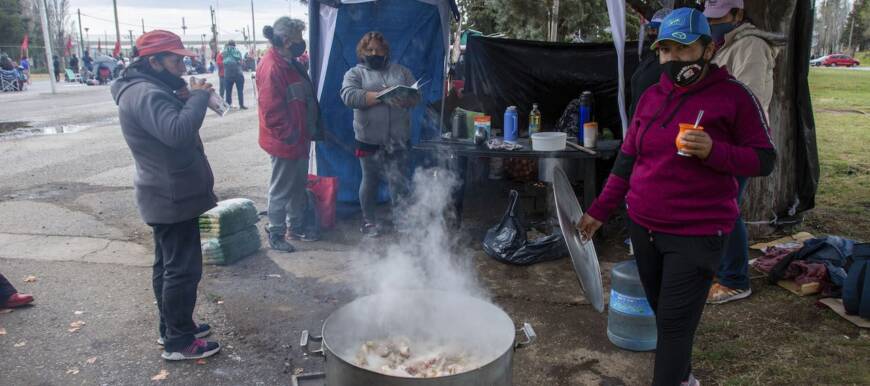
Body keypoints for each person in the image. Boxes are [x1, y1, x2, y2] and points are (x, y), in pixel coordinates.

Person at [576, 8, 775, 386]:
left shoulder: (733, 97)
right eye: (665, 50)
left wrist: (716, 151)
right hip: (644, 228)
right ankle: (684, 378)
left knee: (672, 326)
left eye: (683, 49)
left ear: (707, 49)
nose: (672, 59)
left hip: (696, 233)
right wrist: (599, 211)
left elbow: (765, 158)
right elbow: (628, 159)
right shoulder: (652, 96)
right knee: (664, 314)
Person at [111, 30, 220, 361]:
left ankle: (173, 327)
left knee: (169, 266)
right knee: (182, 270)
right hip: (172, 197)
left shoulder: (150, 88)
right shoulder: (146, 93)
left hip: (169, 193)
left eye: (182, 58)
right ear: (152, 61)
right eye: (175, 59)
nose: (181, 64)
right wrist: (199, 98)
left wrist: (187, 98)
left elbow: (168, 127)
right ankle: (179, 341)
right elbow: (176, 133)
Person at [704, 0, 784, 305]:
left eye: (719, 17)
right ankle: (721, 268)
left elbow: (747, 99)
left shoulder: (750, 46)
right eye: (709, 18)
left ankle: (735, 279)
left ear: (737, 14)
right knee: (715, 206)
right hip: (718, 140)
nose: (712, 23)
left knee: (726, 208)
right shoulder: (722, 45)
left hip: (739, 143)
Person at [341, 31, 419, 237]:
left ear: (387, 52)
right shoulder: (354, 74)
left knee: (398, 181)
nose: (375, 53)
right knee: (370, 180)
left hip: (399, 138)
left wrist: (407, 98)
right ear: (362, 52)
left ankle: (400, 220)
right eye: (370, 50)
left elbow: (415, 96)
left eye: (380, 49)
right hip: (368, 139)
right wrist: (382, 96)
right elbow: (349, 96)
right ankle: (368, 221)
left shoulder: (401, 71)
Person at [257, 17, 321, 251]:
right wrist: (290, 136)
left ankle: (295, 226)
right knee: (282, 188)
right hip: (285, 141)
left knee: (297, 186)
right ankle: (275, 232)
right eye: (297, 39)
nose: (301, 43)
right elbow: (271, 112)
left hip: (298, 138)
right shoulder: (273, 67)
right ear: (285, 40)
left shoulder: (290, 62)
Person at [629, 8, 671, 119]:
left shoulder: (671, 63)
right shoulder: (650, 56)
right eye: (651, 28)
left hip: (653, 126)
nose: (652, 32)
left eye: (657, 29)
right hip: (636, 125)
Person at [222, 41, 246, 109]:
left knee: (228, 91)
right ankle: (241, 105)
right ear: (235, 45)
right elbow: (241, 62)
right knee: (240, 91)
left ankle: (228, 105)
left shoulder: (224, 52)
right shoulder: (237, 51)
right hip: (238, 74)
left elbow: (222, 62)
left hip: (228, 75)